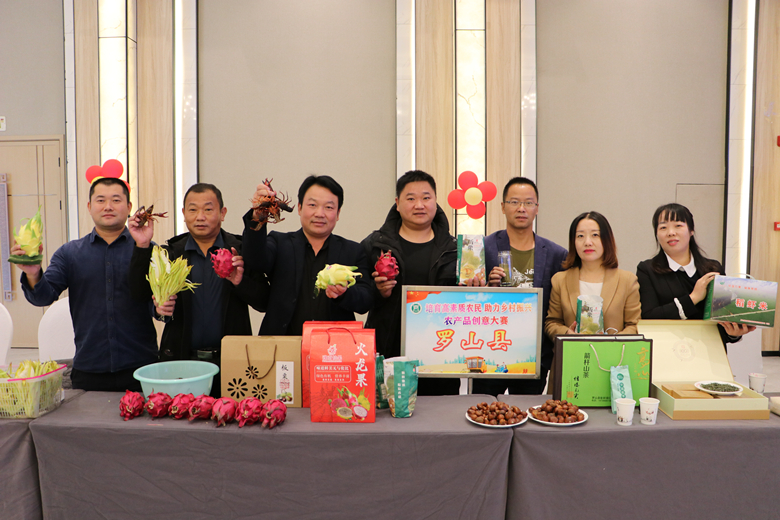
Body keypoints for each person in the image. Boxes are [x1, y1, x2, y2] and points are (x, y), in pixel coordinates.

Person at [12, 176, 157, 392]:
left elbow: (158, 306)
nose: (108, 206)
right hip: (89, 369)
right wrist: (33, 273)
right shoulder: (70, 253)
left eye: (116, 200)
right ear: (89, 207)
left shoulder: (147, 249)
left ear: (129, 207)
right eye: (100, 200)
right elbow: (43, 297)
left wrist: (163, 306)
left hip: (142, 369)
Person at [128, 183, 267, 395]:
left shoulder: (239, 251)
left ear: (223, 213)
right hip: (181, 361)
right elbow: (139, 294)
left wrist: (240, 282)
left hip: (232, 363)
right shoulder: (171, 253)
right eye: (193, 210)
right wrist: (142, 246)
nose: (200, 217)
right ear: (184, 214)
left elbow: (264, 301)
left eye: (208, 209)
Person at [361, 170, 462, 395]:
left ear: (436, 201)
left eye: (426, 198)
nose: (419, 205)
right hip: (388, 352)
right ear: (397, 203)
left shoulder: (455, 249)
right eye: (411, 198)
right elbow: (359, 297)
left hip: (440, 354)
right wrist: (378, 292)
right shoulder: (374, 245)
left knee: (440, 413)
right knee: (387, 412)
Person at [241, 175, 373, 335]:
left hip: (334, 346)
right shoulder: (279, 242)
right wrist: (257, 217)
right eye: (312, 205)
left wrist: (344, 294)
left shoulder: (353, 251)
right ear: (299, 208)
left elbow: (366, 300)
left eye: (329, 207)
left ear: (338, 214)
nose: (320, 213)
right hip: (283, 344)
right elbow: (255, 260)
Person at [473, 177, 568, 395]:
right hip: (489, 351)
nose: (521, 208)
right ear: (503, 207)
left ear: (537, 208)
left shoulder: (556, 254)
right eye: (514, 202)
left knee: (526, 410)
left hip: (533, 354)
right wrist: (487, 287)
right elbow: (466, 298)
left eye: (528, 203)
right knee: (484, 409)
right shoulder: (483, 248)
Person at [636, 202, 755, 343]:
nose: (671, 232)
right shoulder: (647, 270)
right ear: (656, 234)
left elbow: (723, 321)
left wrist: (733, 333)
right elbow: (649, 317)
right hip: (666, 349)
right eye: (663, 227)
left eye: (678, 225)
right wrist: (693, 298)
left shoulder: (712, 269)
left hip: (709, 350)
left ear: (691, 230)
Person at [545, 211, 641, 343]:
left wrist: (612, 342)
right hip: (573, 353)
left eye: (595, 235)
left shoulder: (627, 281)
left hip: (613, 354)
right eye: (580, 236)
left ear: (607, 240)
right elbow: (552, 323)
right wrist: (567, 334)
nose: (587, 242)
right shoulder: (560, 280)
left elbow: (634, 325)